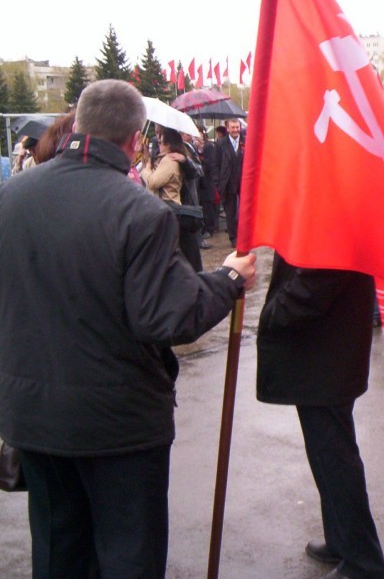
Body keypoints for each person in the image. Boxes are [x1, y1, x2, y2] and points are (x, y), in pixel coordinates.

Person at [0, 79, 256, 579]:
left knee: (57, 553)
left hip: (33, 418)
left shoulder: (14, 195)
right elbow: (170, 316)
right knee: (127, 557)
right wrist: (227, 279)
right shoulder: (141, 213)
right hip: (117, 427)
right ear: (136, 138)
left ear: (79, 125)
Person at [256, 255, 384, 579]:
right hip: (322, 350)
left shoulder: (337, 205)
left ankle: (363, 562)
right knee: (325, 456)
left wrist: (276, 310)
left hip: (328, 352)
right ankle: (342, 542)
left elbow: (324, 271)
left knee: (336, 460)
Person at [142, 127, 203, 272]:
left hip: (180, 204)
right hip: (167, 204)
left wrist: (185, 160)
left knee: (185, 251)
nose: (157, 137)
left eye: (159, 134)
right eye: (156, 133)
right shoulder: (156, 148)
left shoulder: (184, 150)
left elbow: (198, 171)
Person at [216, 118, 244, 247]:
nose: (235, 130)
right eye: (233, 127)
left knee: (244, 210)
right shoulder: (220, 144)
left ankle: (245, 235)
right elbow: (216, 165)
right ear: (228, 129)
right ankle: (233, 238)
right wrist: (217, 183)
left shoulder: (246, 141)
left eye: (237, 127)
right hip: (227, 182)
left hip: (244, 181)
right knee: (230, 211)